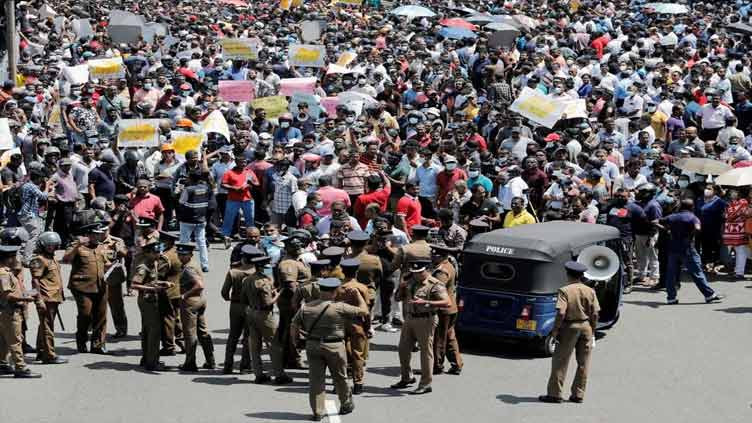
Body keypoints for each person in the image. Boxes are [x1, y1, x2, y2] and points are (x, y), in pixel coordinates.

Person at [291, 277, 369, 420]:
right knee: (340, 377)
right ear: (334, 291)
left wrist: (296, 341)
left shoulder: (307, 307)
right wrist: (358, 295)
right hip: (334, 346)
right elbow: (364, 311)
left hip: (313, 345)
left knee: (316, 380)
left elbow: (294, 325)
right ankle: (345, 403)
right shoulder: (339, 307)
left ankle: (318, 411)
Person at [539, 261, 599, 404]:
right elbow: (595, 313)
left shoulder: (565, 291)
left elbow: (561, 312)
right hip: (586, 327)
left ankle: (555, 394)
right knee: (583, 363)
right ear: (581, 275)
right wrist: (593, 330)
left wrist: (555, 331)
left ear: (568, 274)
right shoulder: (590, 290)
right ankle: (578, 394)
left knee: (560, 361)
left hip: (569, 328)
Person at [390, 258, 450, 394]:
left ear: (426, 270)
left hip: (426, 320)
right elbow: (398, 299)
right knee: (403, 349)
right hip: (410, 318)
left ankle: (425, 383)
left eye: (419, 272)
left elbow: (447, 302)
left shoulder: (435, 284)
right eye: (414, 272)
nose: (416, 275)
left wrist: (427, 302)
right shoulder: (410, 281)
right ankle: (407, 377)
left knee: (425, 352)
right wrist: (401, 287)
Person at [660, 199, 725, 305]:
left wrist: (666, 230)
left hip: (673, 249)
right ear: (692, 207)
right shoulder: (692, 217)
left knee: (671, 274)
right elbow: (698, 228)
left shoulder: (672, 216)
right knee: (697, 273)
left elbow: (655, 221)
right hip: (688, 249)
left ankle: (671, 298)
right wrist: (690, 236)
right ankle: (709, 295)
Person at [241, 254, 291, 384]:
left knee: (255, 345)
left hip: (251, 312)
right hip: (265, 315)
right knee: (274, 344)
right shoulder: (264, 282)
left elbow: (243, 299)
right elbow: (267, 303)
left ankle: (259, 374)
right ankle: (279, 374)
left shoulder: (247, 279)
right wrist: (278, 294)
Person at [62, 223, 110, 354]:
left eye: (99, 234)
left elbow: (105, 263)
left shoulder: (101, 247)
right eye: (95, 234)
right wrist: (77, 244)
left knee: (101, 315)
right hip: (82, 286)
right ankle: (81, 341)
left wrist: (111, 267)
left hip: (100, 285)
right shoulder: (78, 246)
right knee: (85, 315)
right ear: (87, 235)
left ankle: (97, 345)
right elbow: (66, 259)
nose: (98, 236)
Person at [0, 244, 41, 378]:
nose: (16, 259)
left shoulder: (6, 271)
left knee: (4, 339)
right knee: (16, 340)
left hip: (7, 311)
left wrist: (27, 294)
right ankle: (20, 368)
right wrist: (26, 298)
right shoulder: (3, 273)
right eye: (14, 257)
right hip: (10, 311)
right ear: (8, 258)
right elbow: (7, 295)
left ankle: (2, 364)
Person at [175, 242, 215, 371]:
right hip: (200, 300)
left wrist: (185, 295)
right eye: (179, 254)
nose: (180, 256)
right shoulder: (191, 265)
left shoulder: (189, 268)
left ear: (190, 255)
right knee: (202, 332)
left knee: (189, 333)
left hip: (190, 303)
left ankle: (190, 363)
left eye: (183, 254)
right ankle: (210, 361)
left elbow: (199, 285)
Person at [130, 240, 169, 371]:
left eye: (159, 251)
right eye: (155, 252)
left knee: (147, 330)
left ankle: (147, 358)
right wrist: (152, 289)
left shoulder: (154, 263)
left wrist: (162, 284)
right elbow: (134, 285)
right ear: (148, 253)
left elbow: (153, 280)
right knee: (154, 331)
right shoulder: (144, 267)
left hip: (152, 299)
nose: (158, 254)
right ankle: (152, 362)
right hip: (148, 301)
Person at [28, 232, 67, 364]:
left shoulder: (52, 258)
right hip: (46, 298)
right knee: (47, 327)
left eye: (54, 245)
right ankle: (49, 355)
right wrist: (38, 300)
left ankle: (41, 351)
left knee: (45, 326)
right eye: (49, 246)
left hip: (54, 297)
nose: (52, 248)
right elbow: (35, 281)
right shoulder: (39, 260)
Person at [334, 258, 372, 395]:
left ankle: (338, 382)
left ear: (342, 271)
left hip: (339, 323)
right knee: (358, 354)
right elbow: (366, 310)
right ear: (356, 271)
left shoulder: (337, 287)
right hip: (357, 322)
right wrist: (368, 326)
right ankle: (358, 383)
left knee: (339, 354)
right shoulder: (362, 287)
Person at [220, 244, 257, 374]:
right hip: (251, 307)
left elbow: (224, 292)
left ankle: (227, 365)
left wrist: (230, 299)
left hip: (235, 306)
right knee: (248, 337)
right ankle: (245, 366)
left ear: (243, 258)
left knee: (233, 336)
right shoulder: (257, 274)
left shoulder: (233, 272)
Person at [430, 244, 462, 375]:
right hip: (450, 308)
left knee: (439, 338)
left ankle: (437, 365)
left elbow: (437, 289)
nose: (432, 256)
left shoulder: (442, 271)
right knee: (450, 337)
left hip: (443, 309)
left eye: (434, 254)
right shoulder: (449, 265)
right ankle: (457, 363)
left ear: (441, 256)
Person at [178, 170, 213, 271]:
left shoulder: (188, 189)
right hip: (201, 219)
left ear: (190, 178)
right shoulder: (206, 188)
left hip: (187, 220)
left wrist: (179, 192)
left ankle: (184, 265)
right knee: (201, 242)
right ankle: (205, 265)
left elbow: (181, 202)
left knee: (184, 242)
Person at [100, 216, 129, 339]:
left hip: (112, 278)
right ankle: (98, 330)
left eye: (104, 231)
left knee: (116, 305)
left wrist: (117, 248)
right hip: (97, 277)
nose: (102, 233)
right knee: (98, 305)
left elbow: (124, 254)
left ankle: (121, 329)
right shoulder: (92, 241)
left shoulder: (116, 241)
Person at [157, 231, 184, 356]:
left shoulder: (165, 257)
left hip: (168, 292)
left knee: (167, 319)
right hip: (180, 290)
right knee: (177, 317)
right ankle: (182, 342)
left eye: (162, 241)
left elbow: (159, 274)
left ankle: (168, 346)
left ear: (167, 242)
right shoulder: (179, 253)